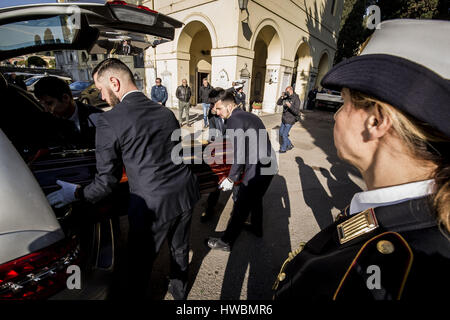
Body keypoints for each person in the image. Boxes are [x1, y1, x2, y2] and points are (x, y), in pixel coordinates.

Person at [273, 19, 450, 300]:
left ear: (376, 121)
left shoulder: (381, 271)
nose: (335, 115)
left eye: (344, 103)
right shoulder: (416, 219)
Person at [46, 58, 200, 300]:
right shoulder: (166, 112)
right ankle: (180, 293)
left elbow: (107, 181)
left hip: (152, 204)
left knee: (140, 263)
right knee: (179, 248)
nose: (103, 97)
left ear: (114, 83)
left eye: (100, 89)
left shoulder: (109, 120)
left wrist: (75, 194)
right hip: (186, 193)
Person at [206, 88, 277, 252]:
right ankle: (257, 228)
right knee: (256, 199)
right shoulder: (246, 115)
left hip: (257, 167)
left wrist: (231, 178)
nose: (216, 113)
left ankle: (226, 242)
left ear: (229, 106)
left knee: (241, 205)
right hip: (268, 164)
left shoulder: (234, 120)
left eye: (218, 109)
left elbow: (239, 153)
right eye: (214, 109)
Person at [34, 75, 102, 149]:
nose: (46, 109)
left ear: (65, 98)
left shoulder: (97, 117)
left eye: (49, 103)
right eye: (42, 104)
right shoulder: (45, 124)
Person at [201, 102, 227, 223]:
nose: (211, 109)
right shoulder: (213, 116)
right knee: (215, 180)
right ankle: (210, 208)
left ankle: (240, 214)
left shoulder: (232, 115)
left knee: (237, 183)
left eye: (213, 106)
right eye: (210, 106)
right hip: (219, 150)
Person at [276, 86, 300, 153]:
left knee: (284, 135)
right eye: (286, 91)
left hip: (290, 120)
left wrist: (290, 106)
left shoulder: (296, 99)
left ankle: (283, 149)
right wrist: (282, 97)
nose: (287, 93)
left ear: (291, 90)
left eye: (287, 91)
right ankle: (289, 145)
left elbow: (296, 111)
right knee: (281, 133)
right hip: (284, 119)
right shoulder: (286, 97)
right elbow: (278, 103)